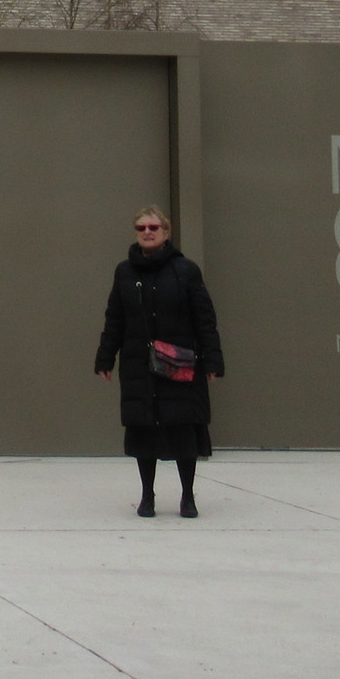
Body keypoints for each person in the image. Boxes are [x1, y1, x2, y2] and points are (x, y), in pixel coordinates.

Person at [94, 207, 223, 517]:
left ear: (166, 232)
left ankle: (187, 496)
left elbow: (204, 318)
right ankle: (147, 496)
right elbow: (115, 318)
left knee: (183, 428)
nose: (147, 232)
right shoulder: (125, 272)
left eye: (153, 227)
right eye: (141, 228)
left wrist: (212, 361)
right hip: (139, 364)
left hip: (179, 364)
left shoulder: (186, 270)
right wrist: (105, 357)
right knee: (144, 430)